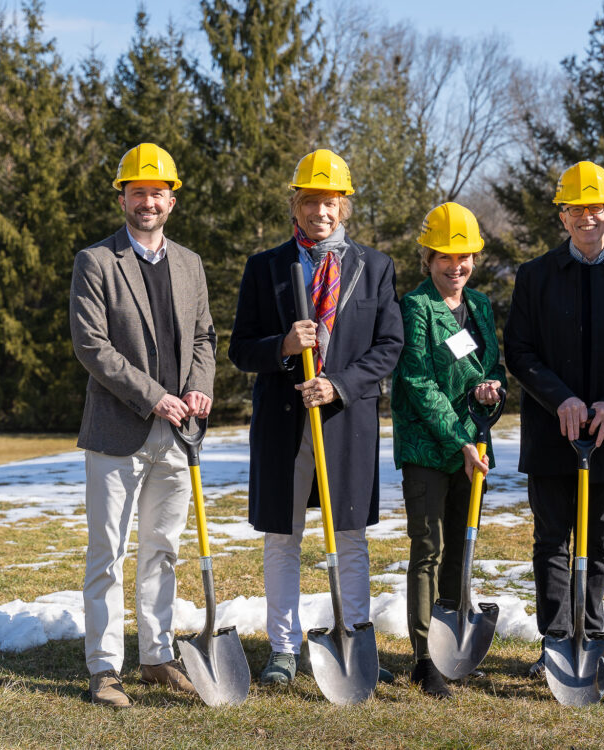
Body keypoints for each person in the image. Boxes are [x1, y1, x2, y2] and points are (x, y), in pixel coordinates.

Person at [227, 148, 403, 687]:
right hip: (283, 424)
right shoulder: (266, 267)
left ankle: (354, 638)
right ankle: (284, 648)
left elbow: (389, 345)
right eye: (309, 201)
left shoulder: (375, 267)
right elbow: (240, 348)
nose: (319, 211)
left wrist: (339, 384)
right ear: (295, 205)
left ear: (343, 205)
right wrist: (282, 346)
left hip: (345, 420)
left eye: (330, 202)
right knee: (283, 536)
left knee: (349, 534)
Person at [69, 143, 216, 708]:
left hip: (179, 433)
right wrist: (155, 397)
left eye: (157, 193)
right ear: (122, 198)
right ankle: (105, 669)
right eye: (137, 192)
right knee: (106, 553)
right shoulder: (96, 262)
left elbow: (202, 336)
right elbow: (92, 346)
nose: (147, 202)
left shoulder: (190, 263)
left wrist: (198, 386)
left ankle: (157, 656)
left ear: (171, 200)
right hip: (117, 431)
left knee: (162, 548)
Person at [503, 161, 604, 683]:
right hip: (552, 430)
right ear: (562, 216)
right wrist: (560, 399)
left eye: (596, 207)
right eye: (575, 209)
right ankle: (555, 642)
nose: (587, 217)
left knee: (597, 540)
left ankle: (590, 639)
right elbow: (519, 351)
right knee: (552, 539)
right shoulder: (535, 275)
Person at [391, 202, 506, 698]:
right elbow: (417, 380)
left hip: (474, 443)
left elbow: (492, 365)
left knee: (462, 546)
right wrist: (457, 440)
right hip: (428, 448)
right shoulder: (416, 307)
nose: (455, 266)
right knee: (429, 549)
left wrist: (492, 388)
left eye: (464, 257)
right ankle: (424, 658)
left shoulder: (479, 305)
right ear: (428, 258)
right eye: (445, 257)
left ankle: (452, 642)